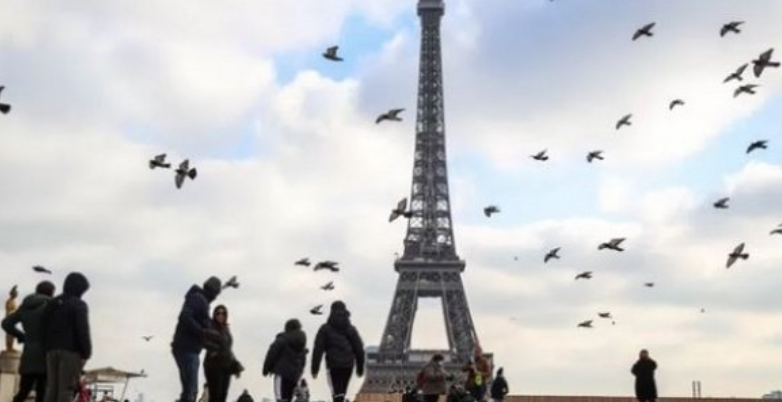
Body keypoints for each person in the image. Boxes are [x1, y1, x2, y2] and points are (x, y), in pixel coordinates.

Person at [2, 281, 56, 402]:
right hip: (45, 357)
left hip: (28, 356)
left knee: (22, 392)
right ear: (51, 293)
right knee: (42, 393)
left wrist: (22, 336)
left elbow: (6, 323)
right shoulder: (51, 306)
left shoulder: (25, 306)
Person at [41, 272, 91, 402]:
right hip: (70, 352)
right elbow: (82, 330)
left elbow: (44, 327)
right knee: (66, 389)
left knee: (52, 388)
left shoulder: (52, 303)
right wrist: (87, 352)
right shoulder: (79, 304)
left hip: (50, 351)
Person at [171, 277, 222, 402]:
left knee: (188, 391)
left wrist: (211, 346)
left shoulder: (199, 299)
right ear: (214, 292)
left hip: (185, 348)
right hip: (187, 349)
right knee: (191, 391)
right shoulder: (198, 299)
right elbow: (185, 317)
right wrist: (203, 331)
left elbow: (198, 333)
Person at [311, 301, 365, 402]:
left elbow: (318, 349)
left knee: (336, 392)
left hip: (333, 364)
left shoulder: (324, 329)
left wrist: (315, 368)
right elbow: (359, 349)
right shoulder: (351, 329)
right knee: (341, 392)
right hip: (348, 365)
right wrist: (360, 368)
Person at [204, 305, 244, 402]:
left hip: (226, 365)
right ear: (214, 315)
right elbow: (204, 340)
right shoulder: (210, 327)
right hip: (213, 365)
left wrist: (235, 364)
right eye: (218, 313)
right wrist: (213, 350)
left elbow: (228, 349)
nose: (220, 315)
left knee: (223, 395)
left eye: (223, 313)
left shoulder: (226, 329)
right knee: (215, 395)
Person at [264, 319, 307, 402]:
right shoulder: (302, 345)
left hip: (281, 373)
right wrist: (298, 373)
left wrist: (266, 369)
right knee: (288, 398)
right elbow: (303, 362)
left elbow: (272, 354)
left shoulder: (281, 339)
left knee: (280, 398)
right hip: (294, 376)